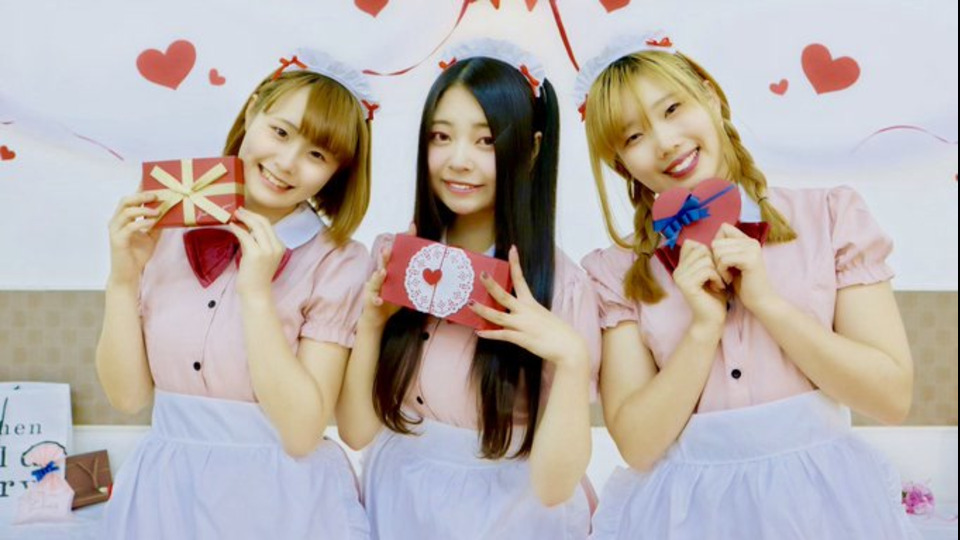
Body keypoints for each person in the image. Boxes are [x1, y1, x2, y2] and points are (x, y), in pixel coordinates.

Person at [577, 32, 919, 539]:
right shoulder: (615, 273)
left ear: (710, 97)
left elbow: (890, 398)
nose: (665, 142)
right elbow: (638, 445)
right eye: (633, 137)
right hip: (681, 516)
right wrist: (702, 329)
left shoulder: (829, 218)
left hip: (822, 507)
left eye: (672, 109)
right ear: (619, 162)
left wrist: (768, 304)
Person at [95, 49, 374, 539]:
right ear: (252, 111)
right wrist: (122, 279)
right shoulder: (168, 232)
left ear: (337, 171)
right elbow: (128, 396)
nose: (286, 163)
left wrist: (257, 297)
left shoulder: (339, 262)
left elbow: (301, 432)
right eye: (280, 132)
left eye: (317, 155)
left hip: (282, 501)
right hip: (166, 494)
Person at [335, 39, 601, 539]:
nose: (458, 160)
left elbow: (553, 489)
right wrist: (371, 325)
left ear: (533, 149)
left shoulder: (562, 287)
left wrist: (570, 359)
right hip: (400, 498)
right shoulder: (394, 257)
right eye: (441, 136)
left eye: (486, 140)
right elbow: (356, 431)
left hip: (511, 515)